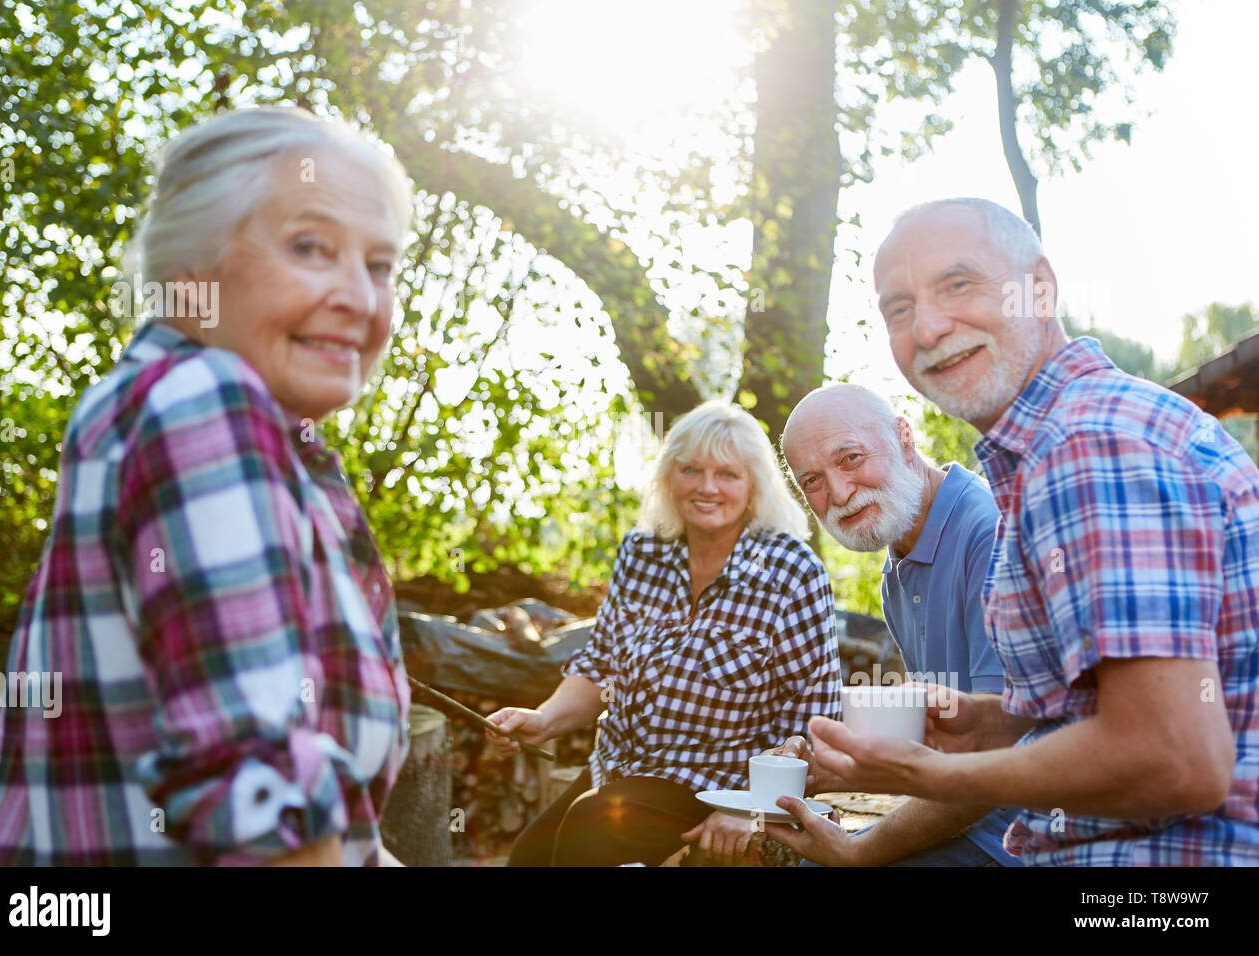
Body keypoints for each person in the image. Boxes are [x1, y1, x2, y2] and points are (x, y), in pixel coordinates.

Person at [0, 108, 415, 866]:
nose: (360, 298)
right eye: (310, 247)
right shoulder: (203, 403)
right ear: (191, 273)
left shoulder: (165, 407)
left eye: (379, 265)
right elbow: (261, 810)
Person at [805, 197, 1259, 865]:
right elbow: (1124, 706)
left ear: (1039, 289)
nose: (928, 327)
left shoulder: (1087, 444)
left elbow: (1176, 758)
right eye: (898, 308)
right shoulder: (1057, 446)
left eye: (957, 284)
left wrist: (925, 774)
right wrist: (992, 720)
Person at [487, 400, 841, 866]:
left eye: (727, 474)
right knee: (528, 858)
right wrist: (544, 720)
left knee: (588, 835)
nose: (707, 487)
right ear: (669, 477)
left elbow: (812, 719)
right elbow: (600, 664)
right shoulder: (642, 551)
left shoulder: (792, 571)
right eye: (691, 470)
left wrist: (754, 808)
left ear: (755, 485)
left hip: (718, 786)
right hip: (617, 771)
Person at [769, 383, 1020, 866]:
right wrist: (825, 771)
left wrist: (860, 850)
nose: (839, 493)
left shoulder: (989, 533)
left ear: (905, 436)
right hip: (975, 815)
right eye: (812, 481)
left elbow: (993, 758)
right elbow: (939, 743)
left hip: (1021, 838)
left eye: (850, 459)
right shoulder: (897, 569)